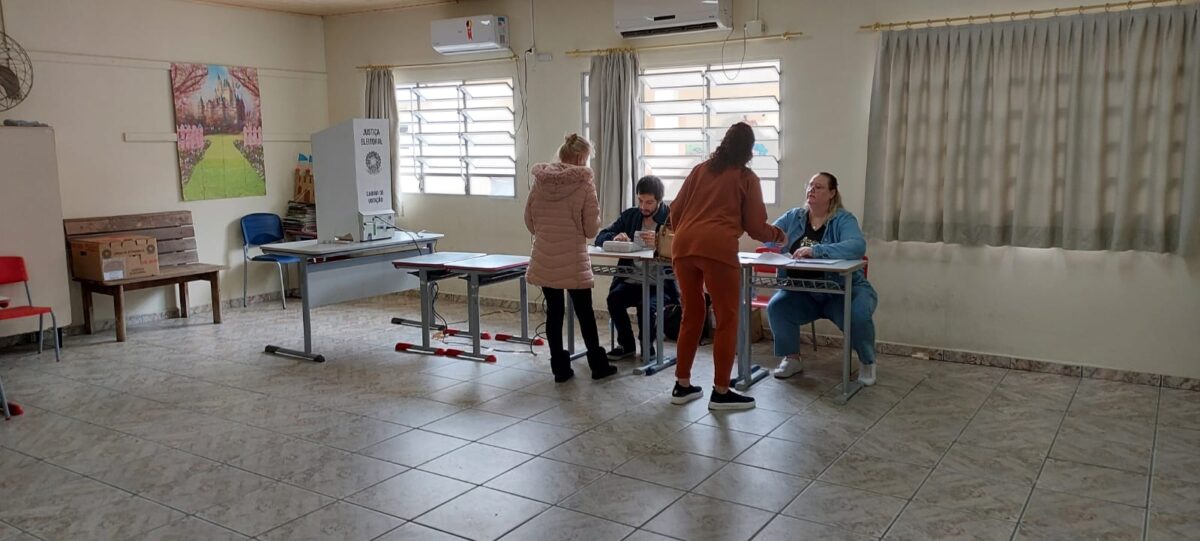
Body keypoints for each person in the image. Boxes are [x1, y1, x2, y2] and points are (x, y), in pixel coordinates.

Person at [668, 122, 786, 410]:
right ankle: (721, 391)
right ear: (748, 150)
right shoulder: (746, 177)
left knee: (692, 315)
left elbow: (674, 212)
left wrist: (688, 231)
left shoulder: (700, 170)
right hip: (717, 248)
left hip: (683, 247)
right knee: (727, 318)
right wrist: (779, 236)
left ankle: (681, 385)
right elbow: (756, 226)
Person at [766, 172, 879, 385]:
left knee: (858, 315)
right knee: (777, 307)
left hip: (844, 289)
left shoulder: (843, 219)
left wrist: (816, 250)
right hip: (803, 291)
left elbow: (857, 246)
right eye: (810, 185)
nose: (811, 190)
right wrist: (772, 237)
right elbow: (770, 235)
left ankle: (867, 362)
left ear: (832, 193)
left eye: (818, 187)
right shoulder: (794, 216)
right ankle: (792, 358)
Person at [525, 134, 617, 382]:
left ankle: (560, 369)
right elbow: (590, 230)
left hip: (545, 256)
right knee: (585, 313)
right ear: (579, 157)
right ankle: (598, 366)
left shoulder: (539, 182)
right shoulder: (584, 184)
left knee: (554, 314)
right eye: (586, 158)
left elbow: (529, 222)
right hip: (574, 259)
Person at [594, 175, 679, 360]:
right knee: (614, 299)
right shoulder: (631, 215)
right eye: (640, 201)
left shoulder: (671, 218)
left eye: (649, 202)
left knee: (646, 305)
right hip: (632, 279)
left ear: (659, 200)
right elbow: (600, 237)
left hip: (660, 283)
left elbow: (683, 245)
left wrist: (660, 242)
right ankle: (626, 345)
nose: (643, 207)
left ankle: (647, 345)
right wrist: (613, 238)